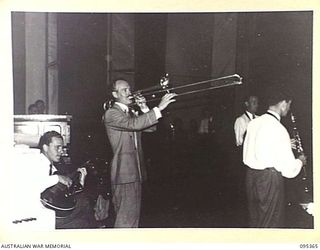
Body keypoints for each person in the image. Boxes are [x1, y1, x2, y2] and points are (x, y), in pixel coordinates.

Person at [103, 79, 177, 228]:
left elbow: (150, 128)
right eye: (124, 90)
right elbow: (134, 125)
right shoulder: (112, 113)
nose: (129, 93)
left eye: (129, 89)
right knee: (125, 221)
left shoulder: (129, 112)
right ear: (114, 94)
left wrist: (144, 107)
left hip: (135, 173)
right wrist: (159, 107)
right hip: (123, 174)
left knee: (133, 221)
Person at [243, 87, 307, 228]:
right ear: (283, 103)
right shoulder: (279, 129)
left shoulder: (254, 123)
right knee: (270, 225)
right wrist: (300, 161)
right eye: (289, 105)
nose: (289, 109)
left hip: (251, 177)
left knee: (255, 222)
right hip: (269, 181)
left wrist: (284, 145)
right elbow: (289, 170)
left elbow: (258, 147)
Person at [38, 131, 88, 229]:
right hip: (41, 214)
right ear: (45, 147)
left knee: (84, 202)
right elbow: (34, 184)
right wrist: (58, 178)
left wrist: (81, 182)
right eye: (57, 147)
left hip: (52, 211)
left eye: (62, 148)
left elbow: (66, 195)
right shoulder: (37, 162)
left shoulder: (53, 167)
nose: (61, 151)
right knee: (84, 213)